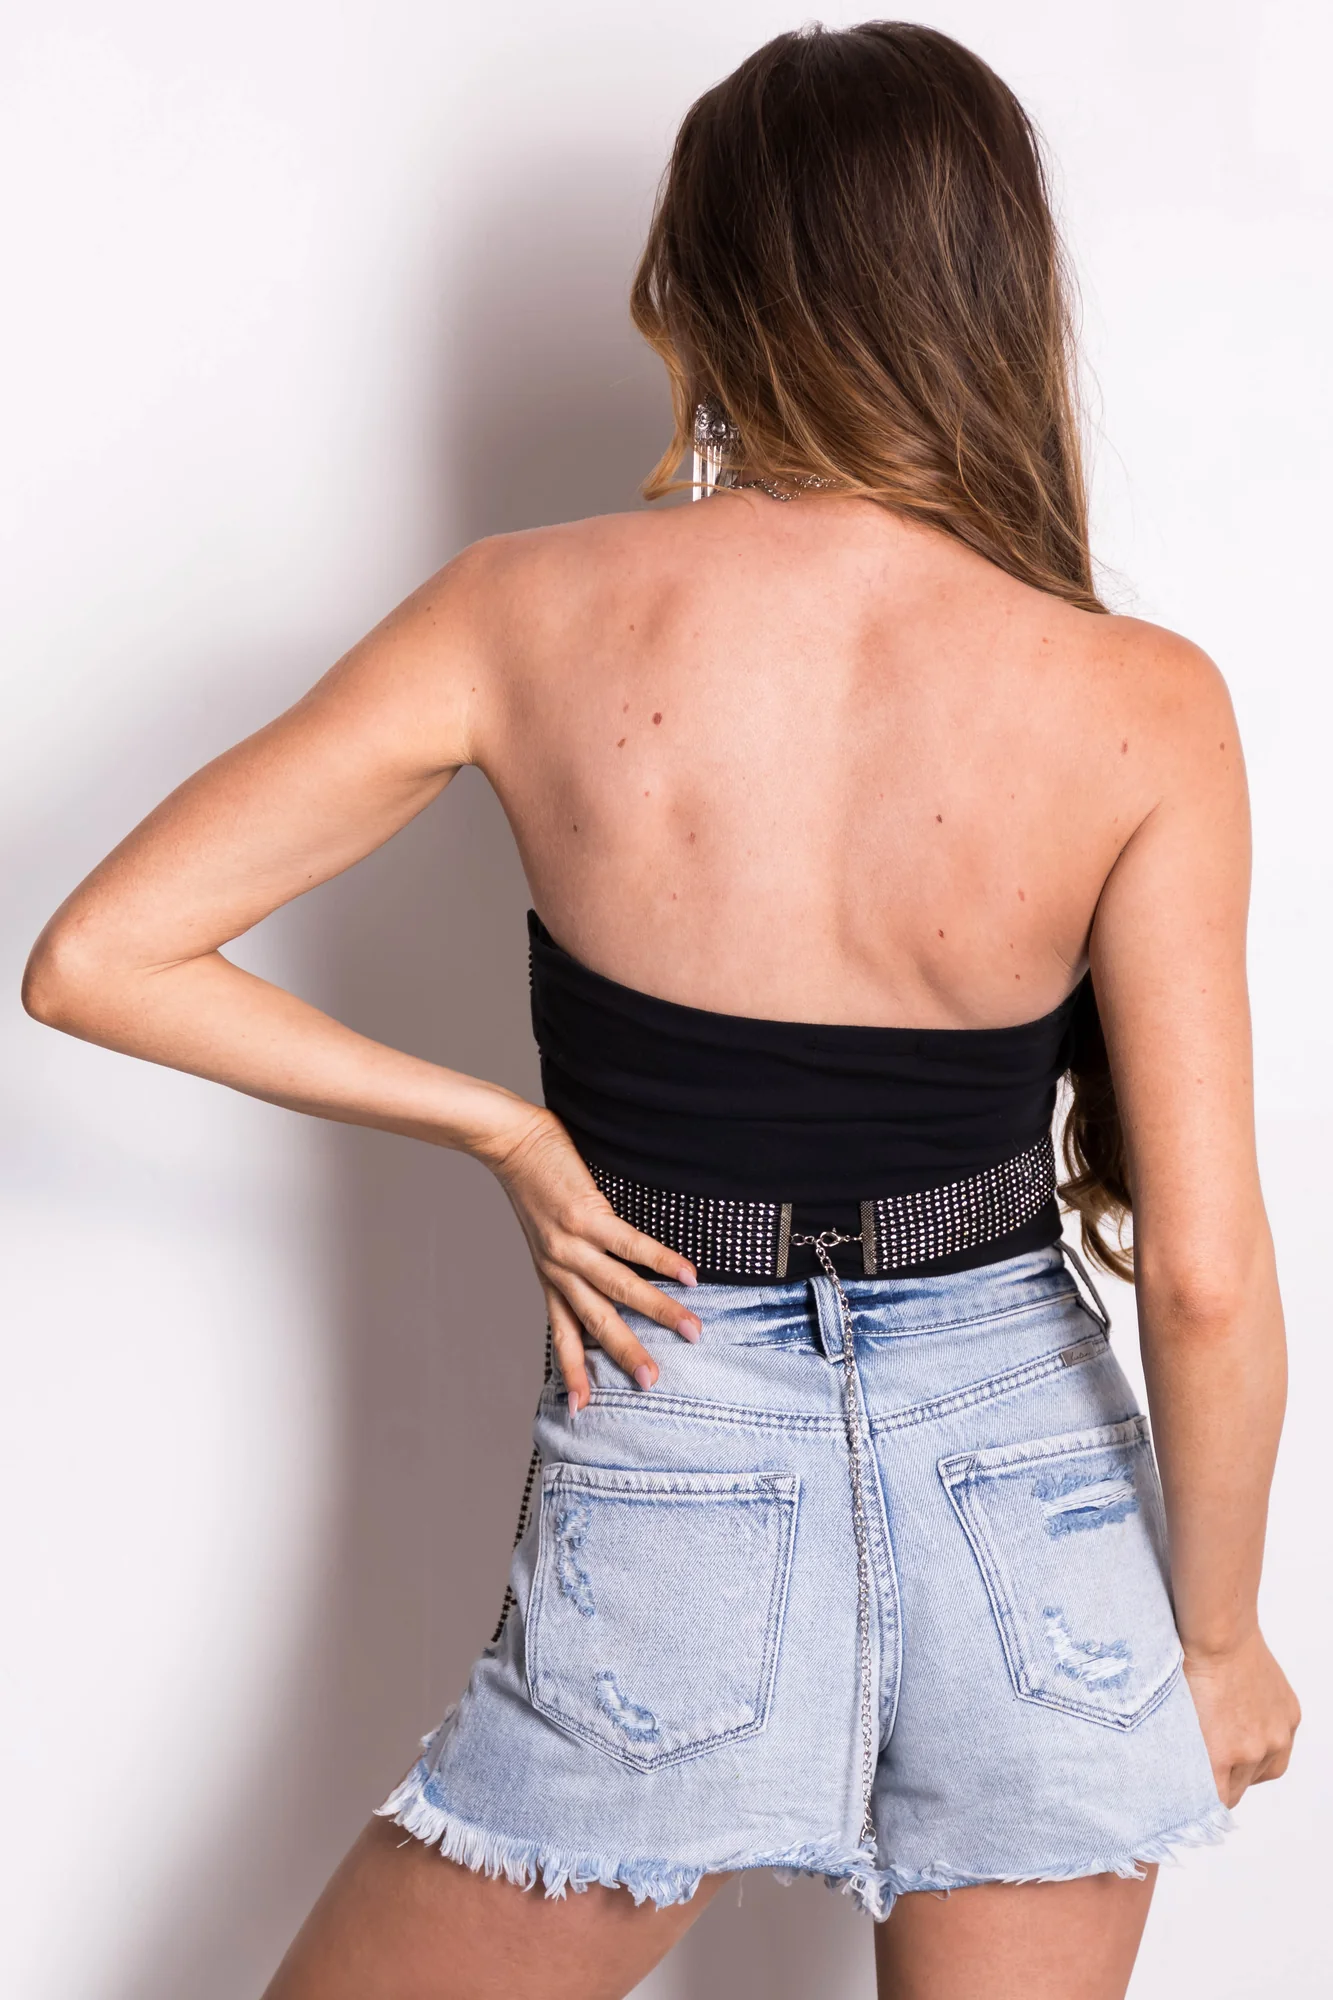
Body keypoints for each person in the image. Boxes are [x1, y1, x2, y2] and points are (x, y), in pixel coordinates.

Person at [22, 21, 1299, 2000]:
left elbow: (99, 952)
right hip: (1029, 1478)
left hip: (676, 1415)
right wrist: (1217, 1645)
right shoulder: (1144, 702)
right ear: (988, 293)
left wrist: (506, 1130)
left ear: (702, 287)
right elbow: (1204, 1277)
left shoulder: (521, 614)